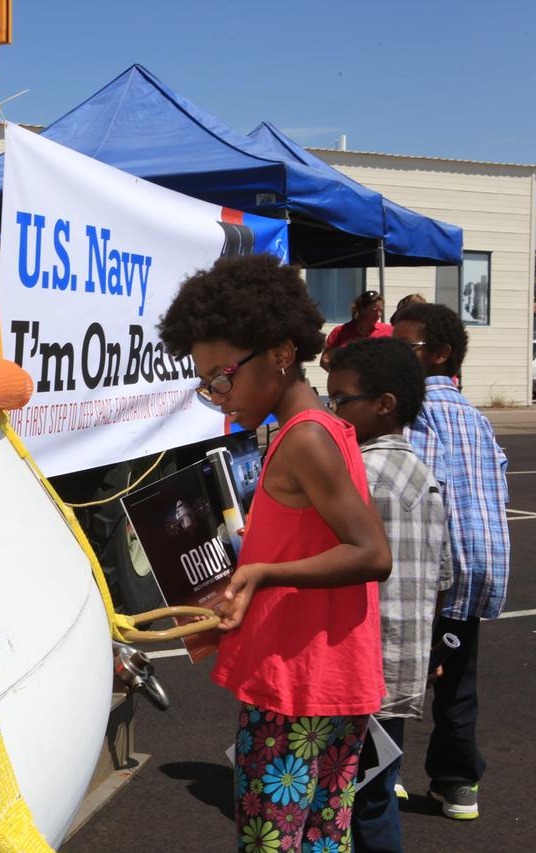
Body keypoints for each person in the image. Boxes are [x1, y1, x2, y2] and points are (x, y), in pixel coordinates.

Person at [158, 254, 391, 853]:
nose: (216, 396)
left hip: (299, 688)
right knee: (318, 842)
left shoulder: (305, 437)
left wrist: (262, 572)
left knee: (273, 843)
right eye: (205, 382)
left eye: (222, 377)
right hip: (322, 681)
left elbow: (370, 552)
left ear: (281, 354)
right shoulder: (317, 426)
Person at [327, 338, 453, 853]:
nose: (333, 413)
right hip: (400, 665)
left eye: (341, 401)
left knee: (332, 797)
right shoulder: (425, 475)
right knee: (375, 793)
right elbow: (443, 575)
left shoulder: (357, 475)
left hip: (352, 666)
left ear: (383, 404)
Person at [390, 302, 510, 821]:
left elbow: (415, 493)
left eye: (403, 345)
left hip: (423, 578)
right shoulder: (476, 418)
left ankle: (382, 775)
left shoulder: (413, 412)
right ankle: (457, 784)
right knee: (458, 685)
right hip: (477, 575)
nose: (391, 352)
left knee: (392, 676)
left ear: (438, 354)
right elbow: (498, 481)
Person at [319, 289, 392, 370]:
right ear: (362, 309)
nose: (378, 315)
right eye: (374, 310)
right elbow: (325, 360)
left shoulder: (389, 330)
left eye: (380, 311)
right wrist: (340, 377)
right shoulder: (340, 332)